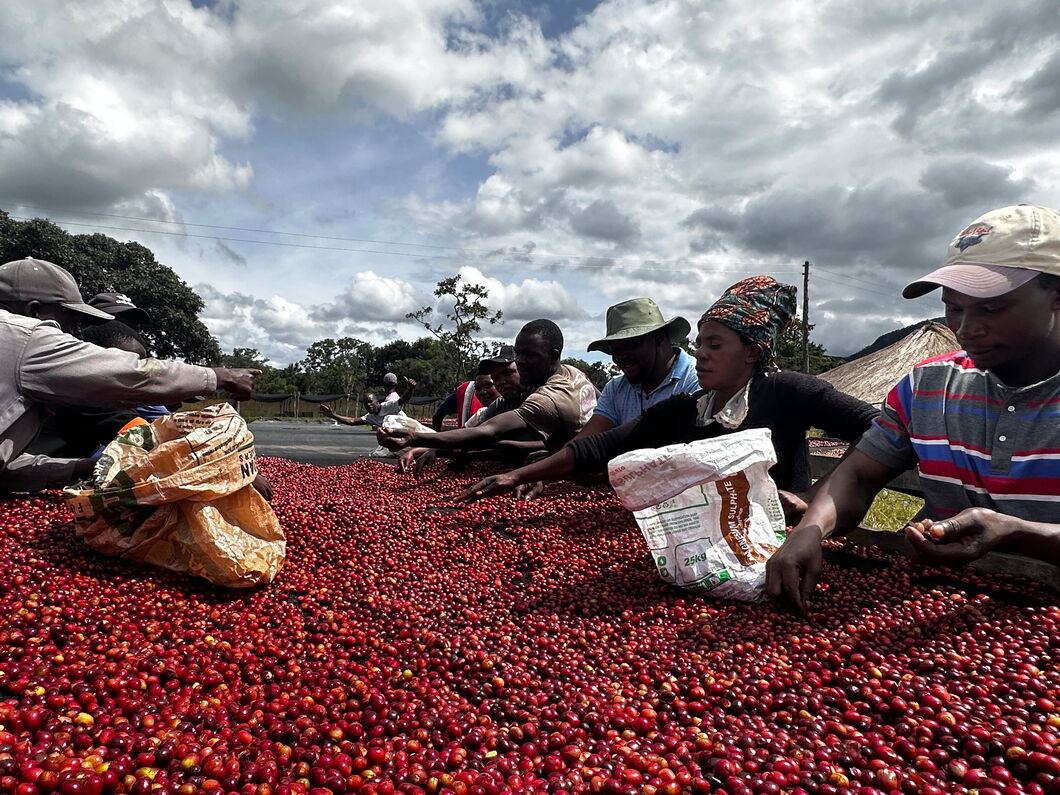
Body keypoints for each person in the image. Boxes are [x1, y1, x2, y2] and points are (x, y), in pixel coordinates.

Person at [767, 204, 1060, 611]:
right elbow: (856, 477)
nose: (966, 328)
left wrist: (1017, 533)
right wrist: (811, 529)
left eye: (992, 307)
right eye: (954, 308)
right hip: (938, 605)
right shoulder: (928, 385)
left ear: (1056, 297)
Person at [464, 276, 878, 510]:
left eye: (715, 346)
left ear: (752, 351)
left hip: (787, 539)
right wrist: (518, 474)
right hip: (710, 537)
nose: (701, 355)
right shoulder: (688, 408)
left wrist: (814, 499)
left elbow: (882, 429)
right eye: (700, 344)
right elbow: (602, 444)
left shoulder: (789, 390)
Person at [0, 257, 259, 492]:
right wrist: (219, 377)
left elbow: (5, 467)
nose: (70, 333)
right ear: (33, 312)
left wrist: (83, 468)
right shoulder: (26, 337)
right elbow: (133, 376)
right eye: (68, 322)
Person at [378, 320, 598, 461]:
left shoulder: (549, 397)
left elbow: (489, 434)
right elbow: (475, 433)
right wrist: (433, 448)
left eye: (507, 372)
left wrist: (414, 438)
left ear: (554, 355)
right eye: (494, 377)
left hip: (582, 468)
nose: (521, 362)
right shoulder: (569, 373)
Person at [583, 298, 699, 434]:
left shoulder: (697, 379)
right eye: (614, 350)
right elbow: (588, 440)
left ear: (659, 338)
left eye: (629, 345)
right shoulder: (616, 389)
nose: (619, 357)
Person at [319, 376, 417, 429]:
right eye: (366, 403)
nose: (368, 405)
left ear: (378, 402)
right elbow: (352, 421)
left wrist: (411, 389)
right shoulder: (370, 417)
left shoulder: (388, 405)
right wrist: (333, 415)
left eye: (370, 402)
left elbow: (403, 399)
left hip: (412, 431)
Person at [431, 372, 501, 431]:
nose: (482, 392)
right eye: (477, 388)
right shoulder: (480, 414)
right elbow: (439, 415)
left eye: (488, 385)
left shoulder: (508, 410)